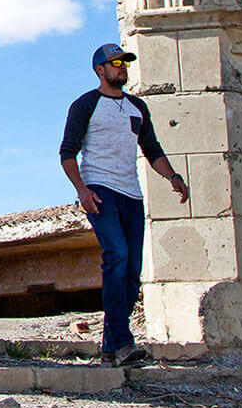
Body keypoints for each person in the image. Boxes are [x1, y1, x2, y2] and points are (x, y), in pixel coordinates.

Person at [59, 43, 189, 367]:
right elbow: (67, 153)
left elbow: (152, 149)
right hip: (100, 190)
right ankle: (124, 342)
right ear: (100, 70)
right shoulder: (85, 105)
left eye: (124, 62)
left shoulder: (137, 107)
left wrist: (172, 176)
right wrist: (82, 190)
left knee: (132, 270)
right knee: (116, 255)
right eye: (115, 63)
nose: (122, 67)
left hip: (132, 194)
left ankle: (110, 345)